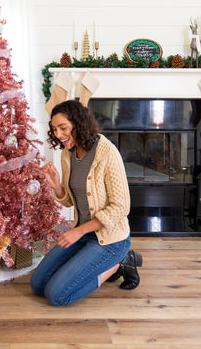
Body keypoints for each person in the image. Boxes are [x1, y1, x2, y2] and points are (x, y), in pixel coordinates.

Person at [30, 100, 142, 306]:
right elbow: (70, 201)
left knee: (56, 296)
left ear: (79, 124)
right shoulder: (68, 154)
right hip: (81, 234)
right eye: (55, 129)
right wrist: (56, 186)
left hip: (110, 240)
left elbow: (121, 207)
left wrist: (78, 231)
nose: (58, 135)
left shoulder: (107, 153)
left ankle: (119, 264)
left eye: (63, 128)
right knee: (37, 285)